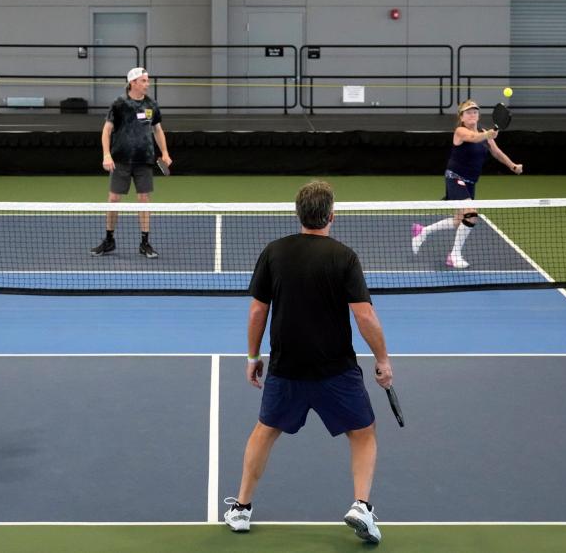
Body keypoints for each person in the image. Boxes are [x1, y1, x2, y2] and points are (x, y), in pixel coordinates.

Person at [223, 180, 393, 544]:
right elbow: (365, 316)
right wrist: (382, 359)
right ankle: (361, 505)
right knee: (363, 434)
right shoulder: (344, 257)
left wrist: (253, 356)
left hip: (287, 368)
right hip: (336, 370)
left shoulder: (274, 252)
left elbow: (257, 311)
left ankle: (241, 508)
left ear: (298, 213)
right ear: (332, 215)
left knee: (265, 431)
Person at [411, 99, 523, 269]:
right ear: (462, 117)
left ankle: (423, 231)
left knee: (459, 220)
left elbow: (497, 153)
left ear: (478, 116)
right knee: (471, 215)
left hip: (470, 182)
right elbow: (473, 137)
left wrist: (512, 165)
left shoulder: (484, 132)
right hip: (455, 177)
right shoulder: (460, 131)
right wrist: (487, 135)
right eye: (468, 112)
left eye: (475, 112)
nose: (472, 114)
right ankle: (454, 255)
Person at [89, 67, 172, 259]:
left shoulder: (151, 104)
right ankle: (109, 240)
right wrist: (106, 155)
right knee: (113, 200)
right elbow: (106, 131)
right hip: (121, 160)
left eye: (147, 80)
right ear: (133, 82)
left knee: (144, 199)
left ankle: (145, 243)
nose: (147, 84)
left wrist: (165, 152)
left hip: (144, 160)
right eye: (144, 81)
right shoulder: (119, 105)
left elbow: (157, 130)